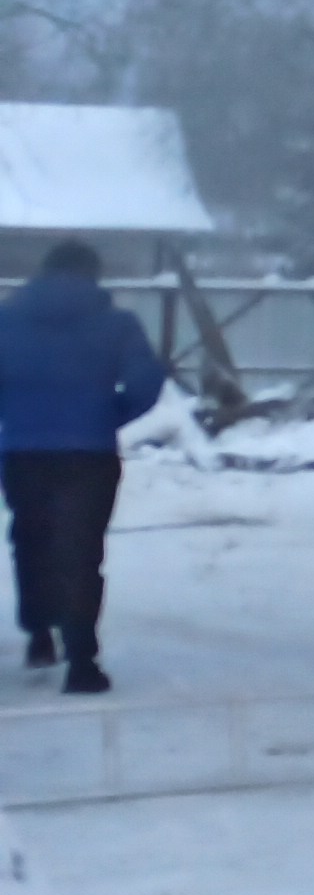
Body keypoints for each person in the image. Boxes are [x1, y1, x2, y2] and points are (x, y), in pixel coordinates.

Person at [0, 241, 166, 695]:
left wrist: (14, 416)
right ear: (93, 274)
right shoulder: (117, 323)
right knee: (81, 549)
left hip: (23, 451)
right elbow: (147, 381)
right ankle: (81, 662)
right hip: (89, 453)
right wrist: (110, 414)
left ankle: (38, 634)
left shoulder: (6, 320)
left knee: (31, 539)